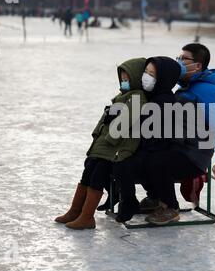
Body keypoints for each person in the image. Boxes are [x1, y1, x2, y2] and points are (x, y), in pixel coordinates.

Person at [142, 44, 215, 225]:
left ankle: (170, 207)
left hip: (194, 154)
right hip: (179, 146)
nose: (179, 61)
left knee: (158, 161)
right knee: (146, 153)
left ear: (198, 65)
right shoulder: (185, 88)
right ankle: (156, 197)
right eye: (179, 57)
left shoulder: (209, 92)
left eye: (184, 58)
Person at [55, 58, 147, 230]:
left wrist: (108, 141)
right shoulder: (121, 96)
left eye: (128, 79)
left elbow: (123, 125)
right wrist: (97, 136)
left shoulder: (138, 98)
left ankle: (87, 217)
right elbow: (105, 120)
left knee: (98, 173)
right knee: (88, 169)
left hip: (119, 148)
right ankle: (76, 210)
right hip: (108, 145)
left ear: (136, 78)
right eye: (122, 79)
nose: (124, 82)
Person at [112, 57, 182, 223]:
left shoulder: (165, 101)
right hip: (148, 148)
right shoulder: (150, 95)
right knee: (119, 161)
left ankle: (170, 206)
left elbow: (150, 131)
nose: (146, 77)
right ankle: (141, 199)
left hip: (160, 150)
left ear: (163, 78)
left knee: (132, 162)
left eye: (152, 74)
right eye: (146, 72)